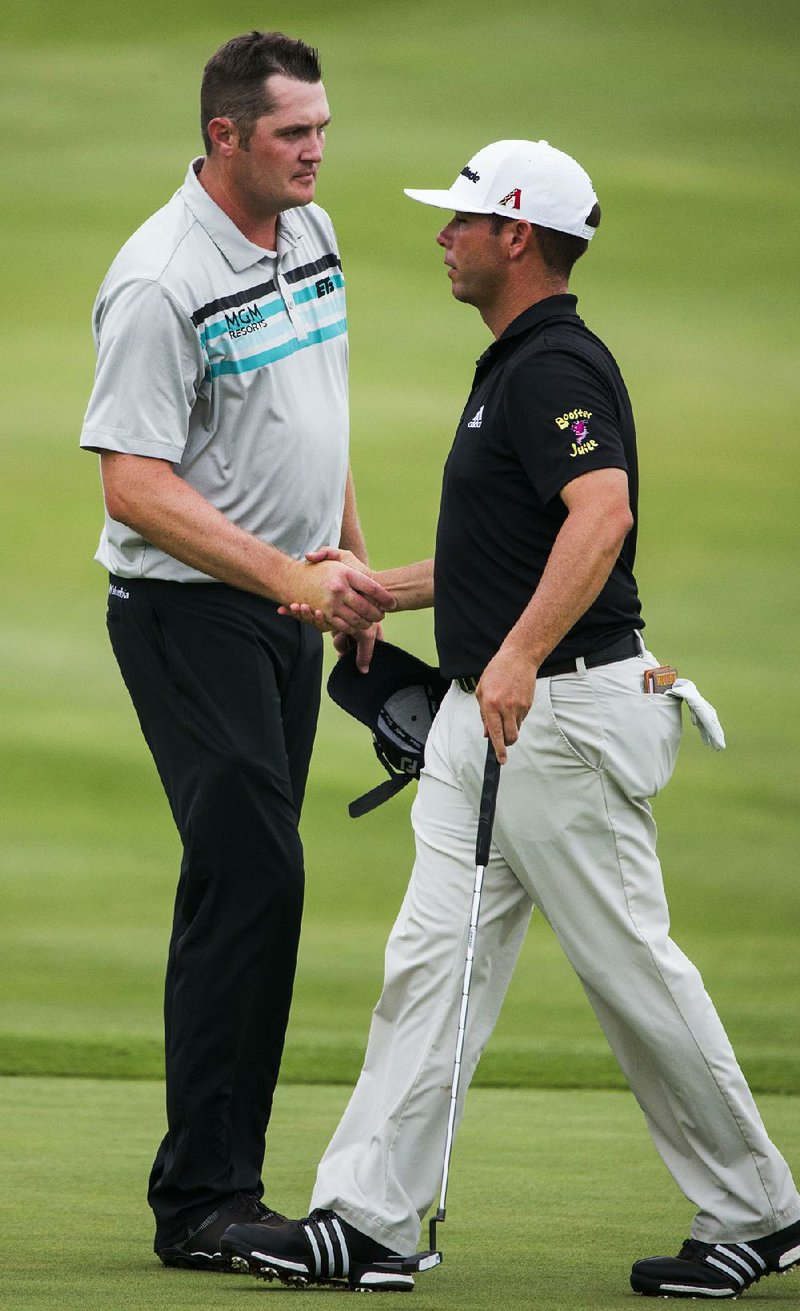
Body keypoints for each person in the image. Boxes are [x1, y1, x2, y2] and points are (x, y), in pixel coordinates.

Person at [221, 139, 800, 1298]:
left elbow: (601, 515)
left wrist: (519, 655)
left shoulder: (549, 370)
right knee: (429, 966)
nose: (443, 236)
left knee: (629, 973)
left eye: (461, 220)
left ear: (516, 236)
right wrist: (380, 588)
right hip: (492, 730)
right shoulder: (515, 364)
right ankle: (369, 1220)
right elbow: (510, 546)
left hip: (562, 723)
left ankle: (760, 1210)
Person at [79, 30, 394, 1270]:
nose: (316, 150)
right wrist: (288, 582)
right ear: (226, 138)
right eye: (291, 134)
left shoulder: (307, 234)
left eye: (320, 128)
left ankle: (220, 1186)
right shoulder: (160, 278)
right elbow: (134, 487)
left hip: (286, 603)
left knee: (261, 874)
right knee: (251, 871)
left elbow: (316, 414)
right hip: (189, 614)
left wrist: (348, 568)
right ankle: (203, 1201)